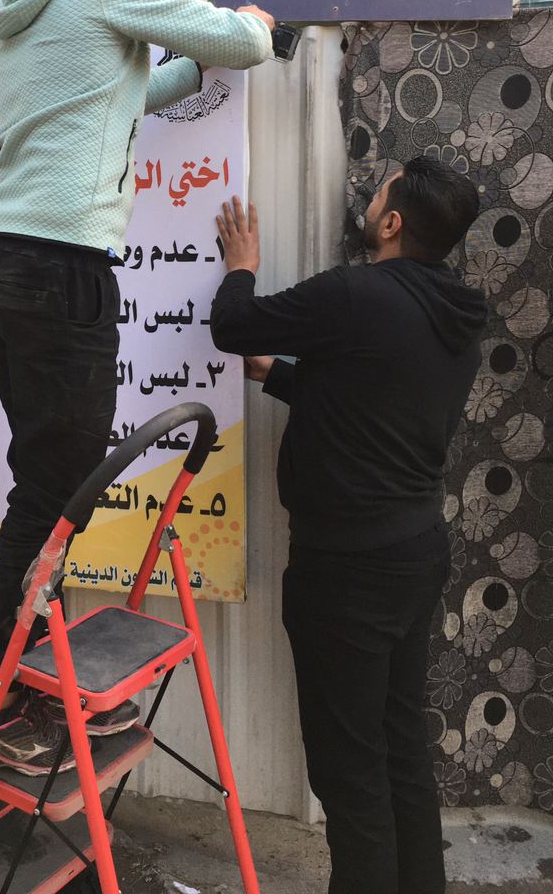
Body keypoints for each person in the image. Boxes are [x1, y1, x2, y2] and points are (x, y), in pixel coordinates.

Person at [0, 0, 275, 775]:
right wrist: (252, 27)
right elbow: (237, 41)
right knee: (55, 492)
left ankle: (26, 686)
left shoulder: (18, 9)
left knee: (44, 482)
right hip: (60, 269)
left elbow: (113, 99)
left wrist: (185, 74)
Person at [209, 156, 487, 894]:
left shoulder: (356, 293)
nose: (369, 199)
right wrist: (278, 374)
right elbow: (379, 399)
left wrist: (242, 267)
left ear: (391, 223)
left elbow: (231, 325)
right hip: (414, 552)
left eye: (380, 193)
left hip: (347, 573)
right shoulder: (454, 313)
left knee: (350, 772)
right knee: (401, 750)